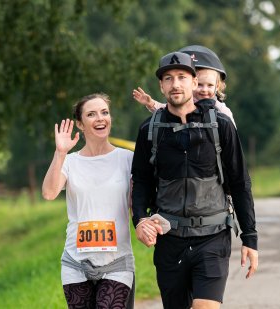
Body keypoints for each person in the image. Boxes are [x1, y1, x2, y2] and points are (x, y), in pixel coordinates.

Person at [131, 52, 258, 309]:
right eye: (168, 78)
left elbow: (240, 182)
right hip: (169, 239)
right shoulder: (150, 130)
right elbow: (141, 182)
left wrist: (250, 238)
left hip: (212, 235)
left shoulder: (220, 126)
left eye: (181, 77)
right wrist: (140, 219)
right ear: (161, 86)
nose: (175, 84)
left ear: (193, 81)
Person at [42, 93, 135, 309]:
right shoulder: (70, 162)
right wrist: (60, 153)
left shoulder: (127, 159)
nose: (100, 118)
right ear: (80, 124)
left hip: (117, 262)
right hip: (75, 262)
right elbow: (49, 193)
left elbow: (138, 204)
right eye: (91, 114)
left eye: (104, 112)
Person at [133, 45, 236, 127]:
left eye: (209, 85)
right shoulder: (185, 104)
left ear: (217, 86)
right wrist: (151, 103)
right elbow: (165, 110)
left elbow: (232, 133)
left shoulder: (220, 109)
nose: (204, 90)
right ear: (193, 83)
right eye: (200, 85)